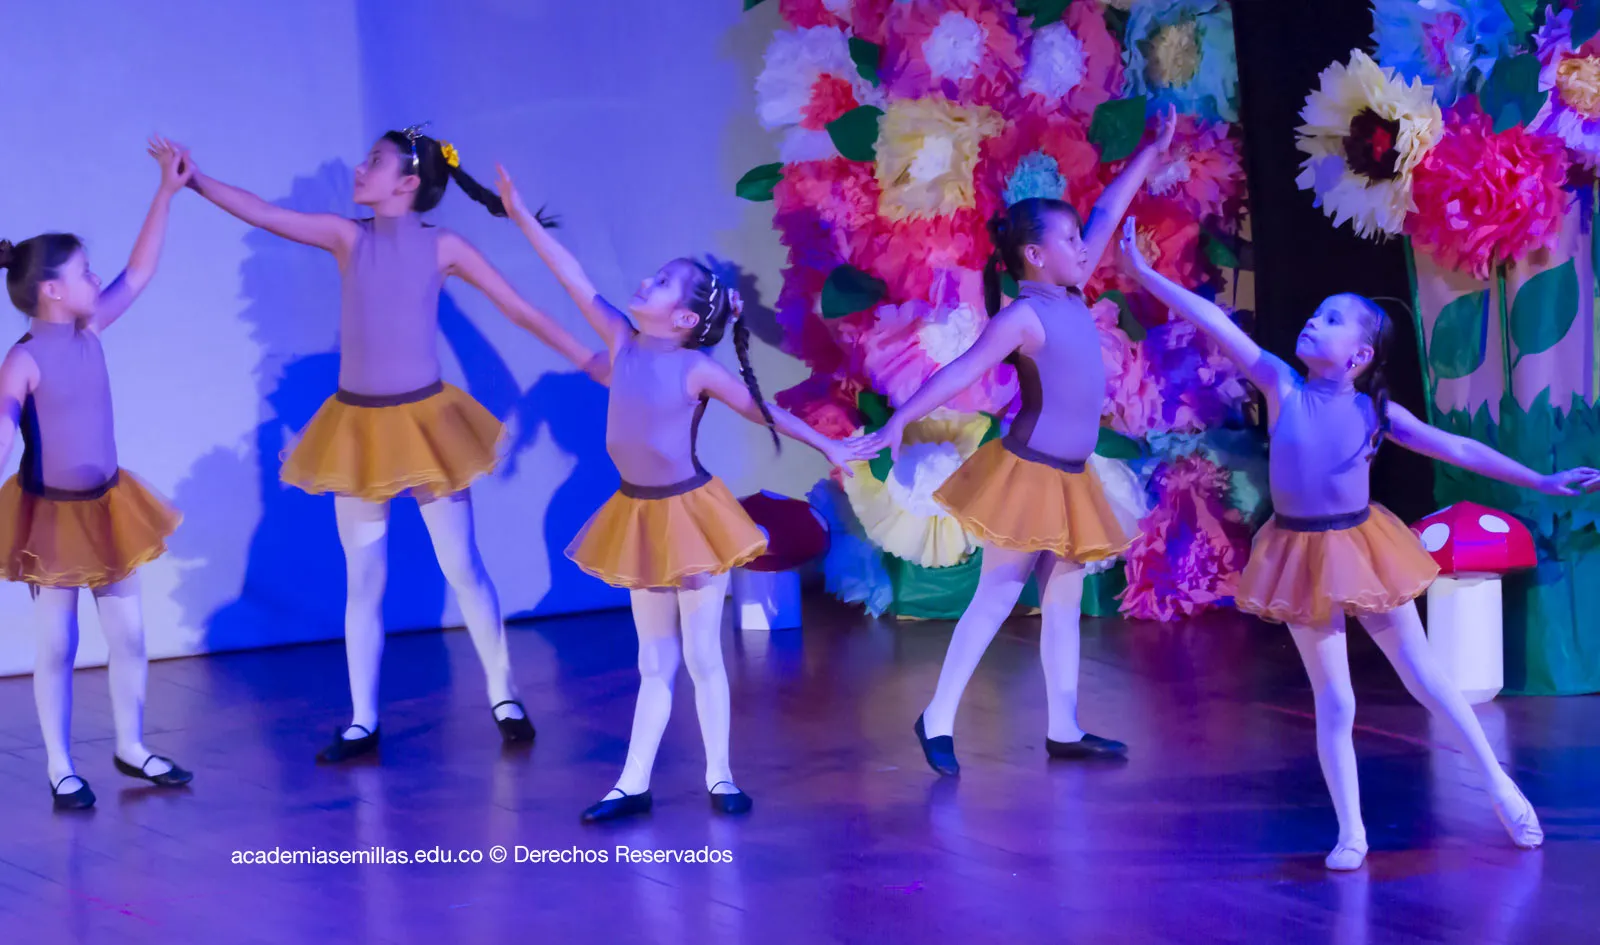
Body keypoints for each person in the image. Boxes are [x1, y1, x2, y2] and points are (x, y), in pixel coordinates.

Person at [1118, 215, 1596, 869]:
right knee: (1335, 697)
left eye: (1335, 319)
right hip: (1300, 554)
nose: (1317, 320)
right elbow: (1216, 324)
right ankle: (1351, 829)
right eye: (1318, 312)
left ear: (1360, 356)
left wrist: (1540, 477)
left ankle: (1500, 786)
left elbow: (1456, 445)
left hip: (1363, 546)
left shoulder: (1376, 412)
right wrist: (1146, 275)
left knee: (1427, 676)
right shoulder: (1280, 385)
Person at [179, 127, 605, 762]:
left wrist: (588, 357)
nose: (360, 168)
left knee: (462, 566)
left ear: (408, 182)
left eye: (374, 162)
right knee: (364, 579)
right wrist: (197, 180)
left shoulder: (445, 246)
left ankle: (504, 692)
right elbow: (267, 214)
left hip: (427, 426)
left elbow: (518, 310)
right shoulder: (348, 237)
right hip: (358, 427)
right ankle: (362, 720)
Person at [495, 164, 873, 821]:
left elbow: (763, 411)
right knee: (653, 659)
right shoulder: (622, 339)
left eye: (663, 282)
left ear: (685, 317)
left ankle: (720, 774)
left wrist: (832, 446)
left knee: (701, 654)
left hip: (693, 518)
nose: (646, 282)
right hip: (638, 514)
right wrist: (521, 215)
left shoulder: (696, 366)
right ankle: (632, 781)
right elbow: (572, 276)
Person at [860, 109, 1177, 777]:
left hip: (1069, 474)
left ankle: (1064, 727)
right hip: (1029, 471)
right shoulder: (1026, 316)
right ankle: (938, 715)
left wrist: (1151, 151)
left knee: (1060, 598)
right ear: (1035, 254)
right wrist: (896, 423)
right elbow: (957, 372)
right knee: (999, 594)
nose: (1083, 247)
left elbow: (1111, 211)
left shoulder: (1072, 291)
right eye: (1069, 239)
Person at [0, 139, 196, 809]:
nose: (98, 279)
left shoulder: (91, 328)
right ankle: (59, 763)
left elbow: (140, 272)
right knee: (56, 642)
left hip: (108, 506)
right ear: (51, 291)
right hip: (51, 516)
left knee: (130, 633)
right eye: (85, 273)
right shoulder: (24, 357)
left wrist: (165, 193)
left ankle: (130, 743)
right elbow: (3, 424)